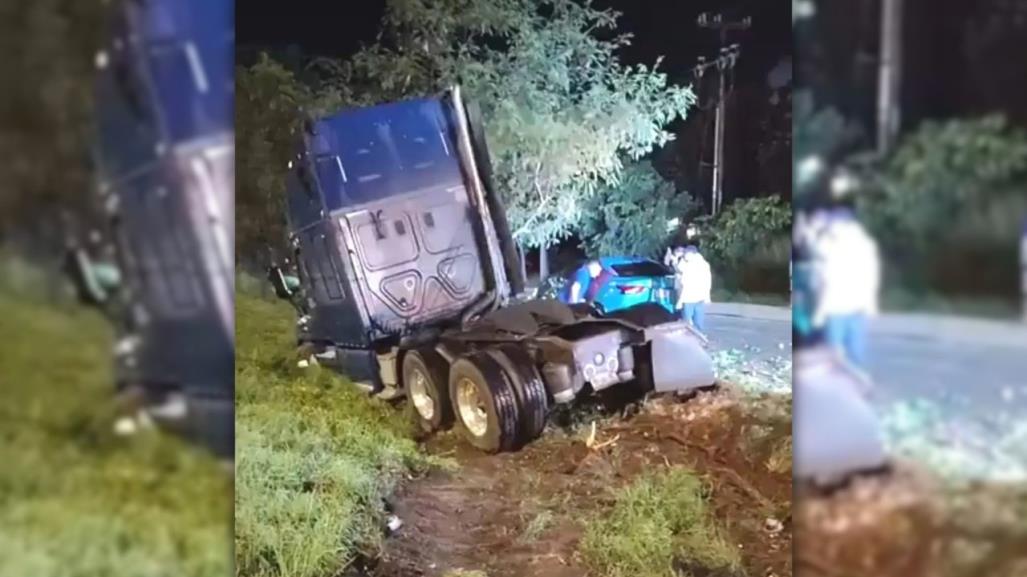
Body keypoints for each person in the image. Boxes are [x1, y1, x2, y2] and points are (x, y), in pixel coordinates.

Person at [810, 206, 880, 372]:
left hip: (837, 308)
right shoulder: (863, 243)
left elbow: (828, 281)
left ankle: (841, 388)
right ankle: (855, 388)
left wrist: (820, 312)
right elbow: (871, 277)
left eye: (833, 225)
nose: (831, 228)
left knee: (836, 354)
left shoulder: (835, 246)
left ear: (841, 224)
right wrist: (871, 304)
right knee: (854, 354)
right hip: (855, 307)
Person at [674, 246, 712, 335]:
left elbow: (683, 280)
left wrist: (680, 301)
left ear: (691, 254)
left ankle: (690, 339)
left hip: (689, 297)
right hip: (700, 297)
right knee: (698, 320)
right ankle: (699, 338)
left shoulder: (689, 265)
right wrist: (707, 296)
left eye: (686, 254)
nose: (685, 256)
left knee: (687, 322)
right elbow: (708, 281)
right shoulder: (703, 264)